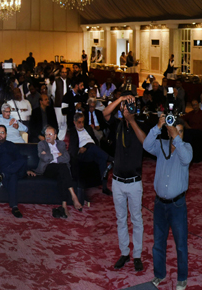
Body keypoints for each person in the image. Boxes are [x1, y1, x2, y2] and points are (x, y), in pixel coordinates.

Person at [145, 116, 193, 290]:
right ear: (168, 131)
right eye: (174, 130)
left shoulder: (186, 148)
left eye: (180, 131)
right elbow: (146, 145)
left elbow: (187, 159)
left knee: (180, 244)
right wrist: (159, 125)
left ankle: (182, 278)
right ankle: (159, 274)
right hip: (159, 204)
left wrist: (177, 139)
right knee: (158, 243)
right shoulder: (161, 146)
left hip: (177, 205)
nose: (176, 134)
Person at [103, 94, 147, 272]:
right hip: (117, 182)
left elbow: (145, 141)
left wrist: (132, 120)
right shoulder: (117, 124)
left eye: (131, 105)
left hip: (135, 182)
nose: (127, 108)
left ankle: (137, 255)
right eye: (125, 106)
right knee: (121, 219)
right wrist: (120, 99)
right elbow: (106, 114)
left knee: (136, 219)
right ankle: (124, 253)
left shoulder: (141, 123)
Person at [0, 125, 32, 218]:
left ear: (6, 134)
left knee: (23, 160)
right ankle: (14, 206)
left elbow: (20, 159)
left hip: (14, 168)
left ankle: (4, 174)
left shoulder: (11, 145)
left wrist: (27, 169)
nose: (0, 135)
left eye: (2, 133)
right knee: (12, 177)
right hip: (3, 170)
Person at [35, 126, 82, 218]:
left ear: (55, 136)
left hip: (60, 168)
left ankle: (64, 205)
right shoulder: (41, 144)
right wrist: (57, 154)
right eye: (46, 134)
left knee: (62, 171)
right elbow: (44, 158)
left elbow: (67, 158)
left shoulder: (61, 144)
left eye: (50, 134)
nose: (47, 136)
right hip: (48, 168)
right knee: (63, 168)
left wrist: (50, 155)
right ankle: (73, 196)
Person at [67, 113, 111, 195]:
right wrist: (79, 150)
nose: (81, 124)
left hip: (93, 151)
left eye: (82, 122)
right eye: (79, 122)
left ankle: (104, 187)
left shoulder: (88, 128)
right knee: (91, 146)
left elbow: (95, 140)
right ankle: (110, 159)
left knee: (102, 160)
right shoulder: (73, 131)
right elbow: (72, 148)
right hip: (83, 153)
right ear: (74, 122)